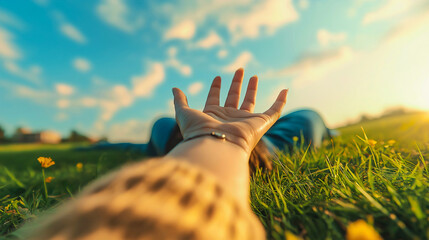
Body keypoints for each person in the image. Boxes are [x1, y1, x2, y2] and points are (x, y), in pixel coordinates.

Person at [20, 68, 332, 239]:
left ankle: (100, 145)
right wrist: (227, 141)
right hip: (246, 150)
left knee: (151, 136)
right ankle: (331, 132)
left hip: (174, 142)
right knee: (307, 118)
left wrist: (203, 139)